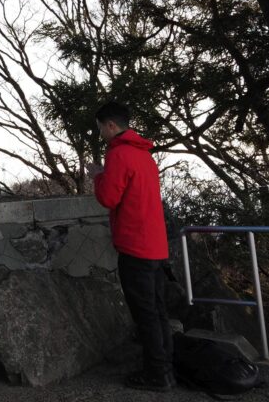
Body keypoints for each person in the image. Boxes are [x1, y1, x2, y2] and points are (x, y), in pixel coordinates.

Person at [87, 101, 174, 392]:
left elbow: (108, 198)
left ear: (110, 125)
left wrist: (97, 175)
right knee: (158, 311)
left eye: (101, 128)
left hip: (135, 245)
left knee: (145, 313)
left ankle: (157, 375)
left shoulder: (119, 154)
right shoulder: (145, 155)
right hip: (156, 245)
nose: (100, 133)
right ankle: (166, 368)